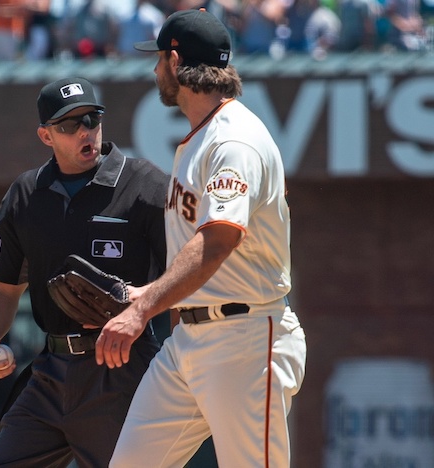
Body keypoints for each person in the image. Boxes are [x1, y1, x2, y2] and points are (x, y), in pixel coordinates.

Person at [94, 9, 307, 467]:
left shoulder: (234, 140)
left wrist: (142, 309)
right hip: (188, 342)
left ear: (175, 61)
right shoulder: (202, 137)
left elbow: (217, 241)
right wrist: (151, 293)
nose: (154, 70)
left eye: (157, 60)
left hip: (246, 338)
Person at [0, 76, 169, 467]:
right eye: (68, 125)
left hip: (121, 369)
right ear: (46, 136)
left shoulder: (144, 185)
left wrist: (154, 323)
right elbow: (5, 287)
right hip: (51, 372)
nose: (84, 132)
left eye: (91, 119)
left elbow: (185, 273)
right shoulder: (25, 195)